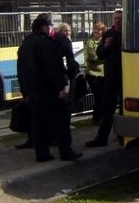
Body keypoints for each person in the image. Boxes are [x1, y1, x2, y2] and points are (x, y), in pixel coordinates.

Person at [17, 13, 82, 162]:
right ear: (45, 27)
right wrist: (60, 87)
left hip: (32, 91)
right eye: (49, 26)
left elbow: (20, 69)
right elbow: (53, 67)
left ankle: (42, 154)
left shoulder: (25, 44)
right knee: (60, 121)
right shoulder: (45, 43)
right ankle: (66, 151)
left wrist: (24, 91)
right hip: (47, 90)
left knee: (38, 124)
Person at [86, 9, 122, 147]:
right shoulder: (108, 34)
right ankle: (102, 138)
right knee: (107, 110)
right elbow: (100, 54)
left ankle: (123, 136)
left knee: (124, 110)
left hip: (126, 78)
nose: (117, 21)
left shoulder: (128, 33)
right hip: (110, 77)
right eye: (115, 19)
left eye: (120, 19)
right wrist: (106, 46)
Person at [84, 22, 106, 125]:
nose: (96, 31)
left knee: (104, 97)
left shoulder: (104, 41)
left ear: (103, 31)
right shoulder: (90, 42)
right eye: (95, 29)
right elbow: (93, 56)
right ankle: (96, 119)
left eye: (99, 29)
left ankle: (101, 118)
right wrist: (105, 60)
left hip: (104, 73)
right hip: (93, 74)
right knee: (99, 97)